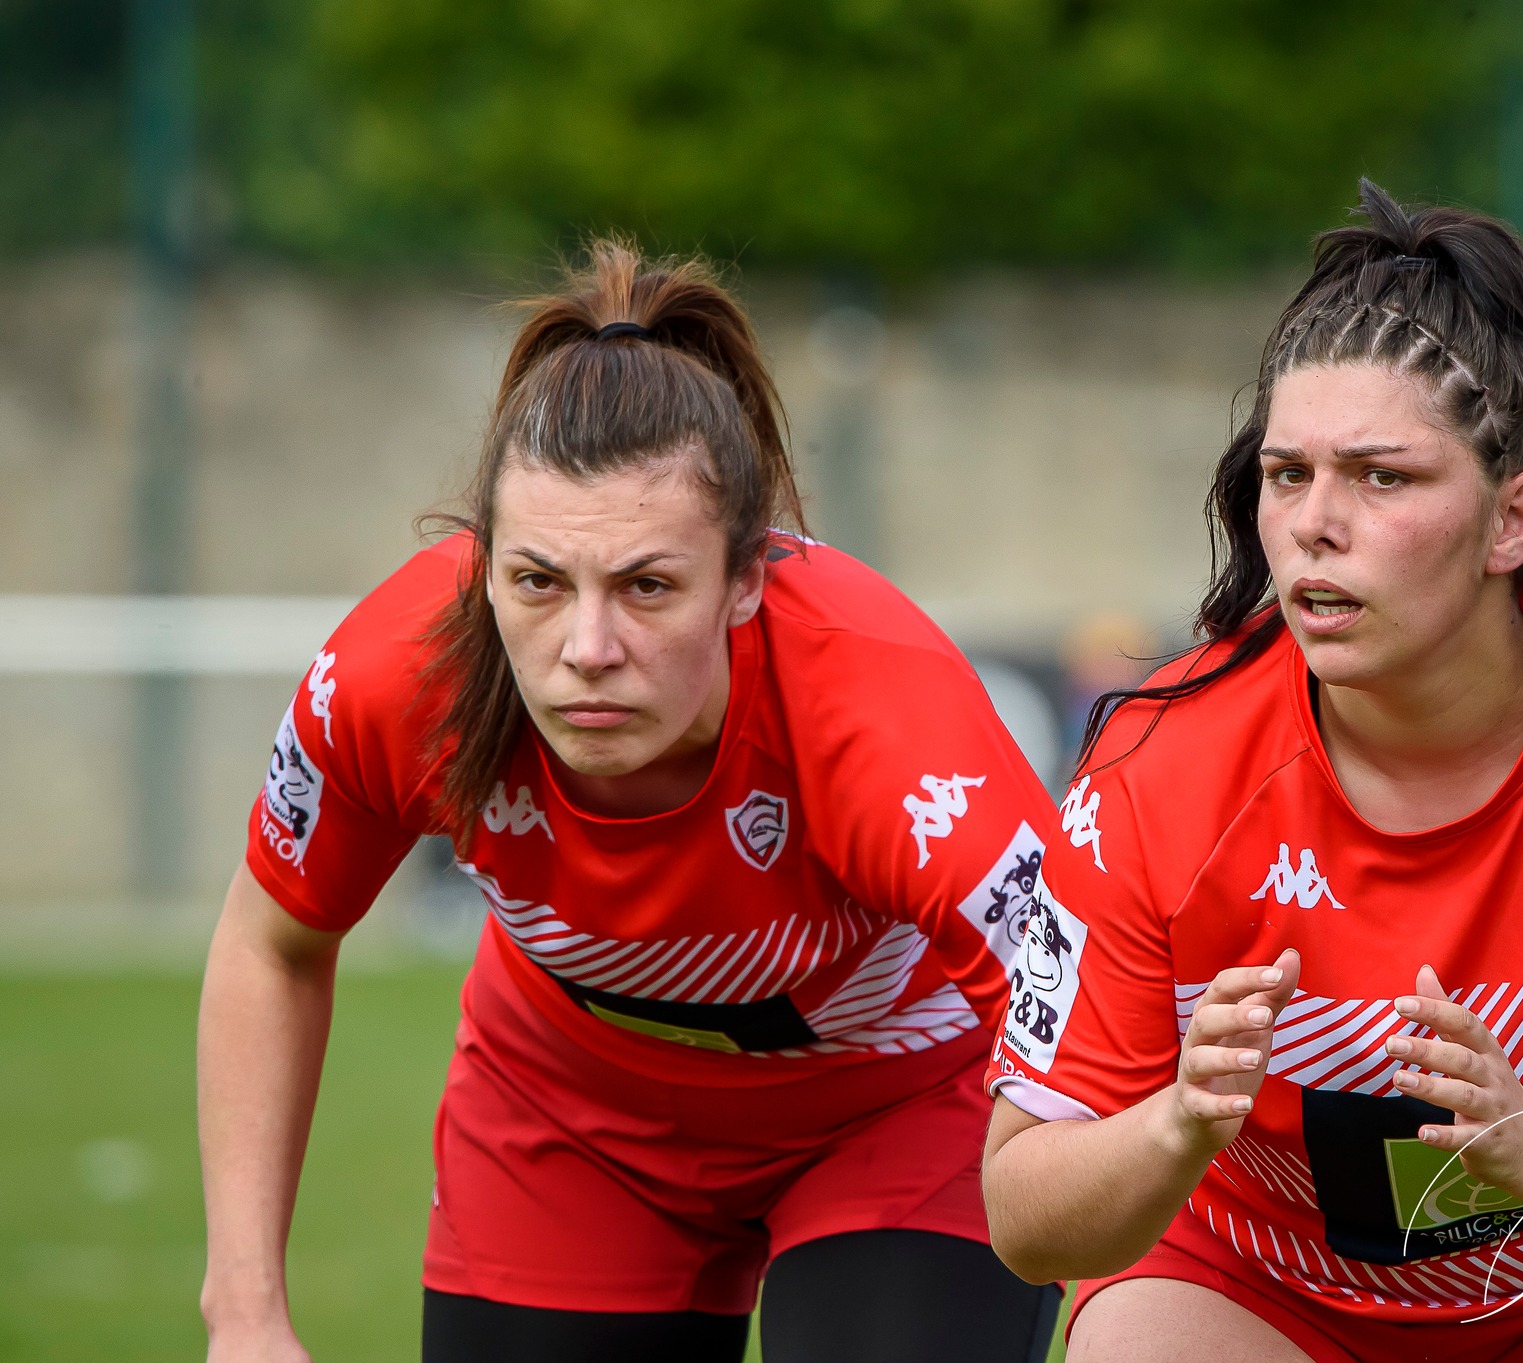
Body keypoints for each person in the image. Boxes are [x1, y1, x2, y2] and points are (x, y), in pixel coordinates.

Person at [980, 182, 1523, 1363]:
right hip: (1258, 1292)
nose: (1312, 523)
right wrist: (1175, 1124)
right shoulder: (1155, 764)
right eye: (1286, 474)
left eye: (1380, 477)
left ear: (1512, 521)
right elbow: (1021, 1214)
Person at [197, 241, 1064, 1363]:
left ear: (748, 575)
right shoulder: (395, 673)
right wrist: (246, 1315)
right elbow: (271, 941)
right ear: (484, 559)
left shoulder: (880, 715)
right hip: (567, 1120)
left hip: (897, 1109)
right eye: (537, 582)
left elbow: (1090, 1027)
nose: (585, 649)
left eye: (648, 585)